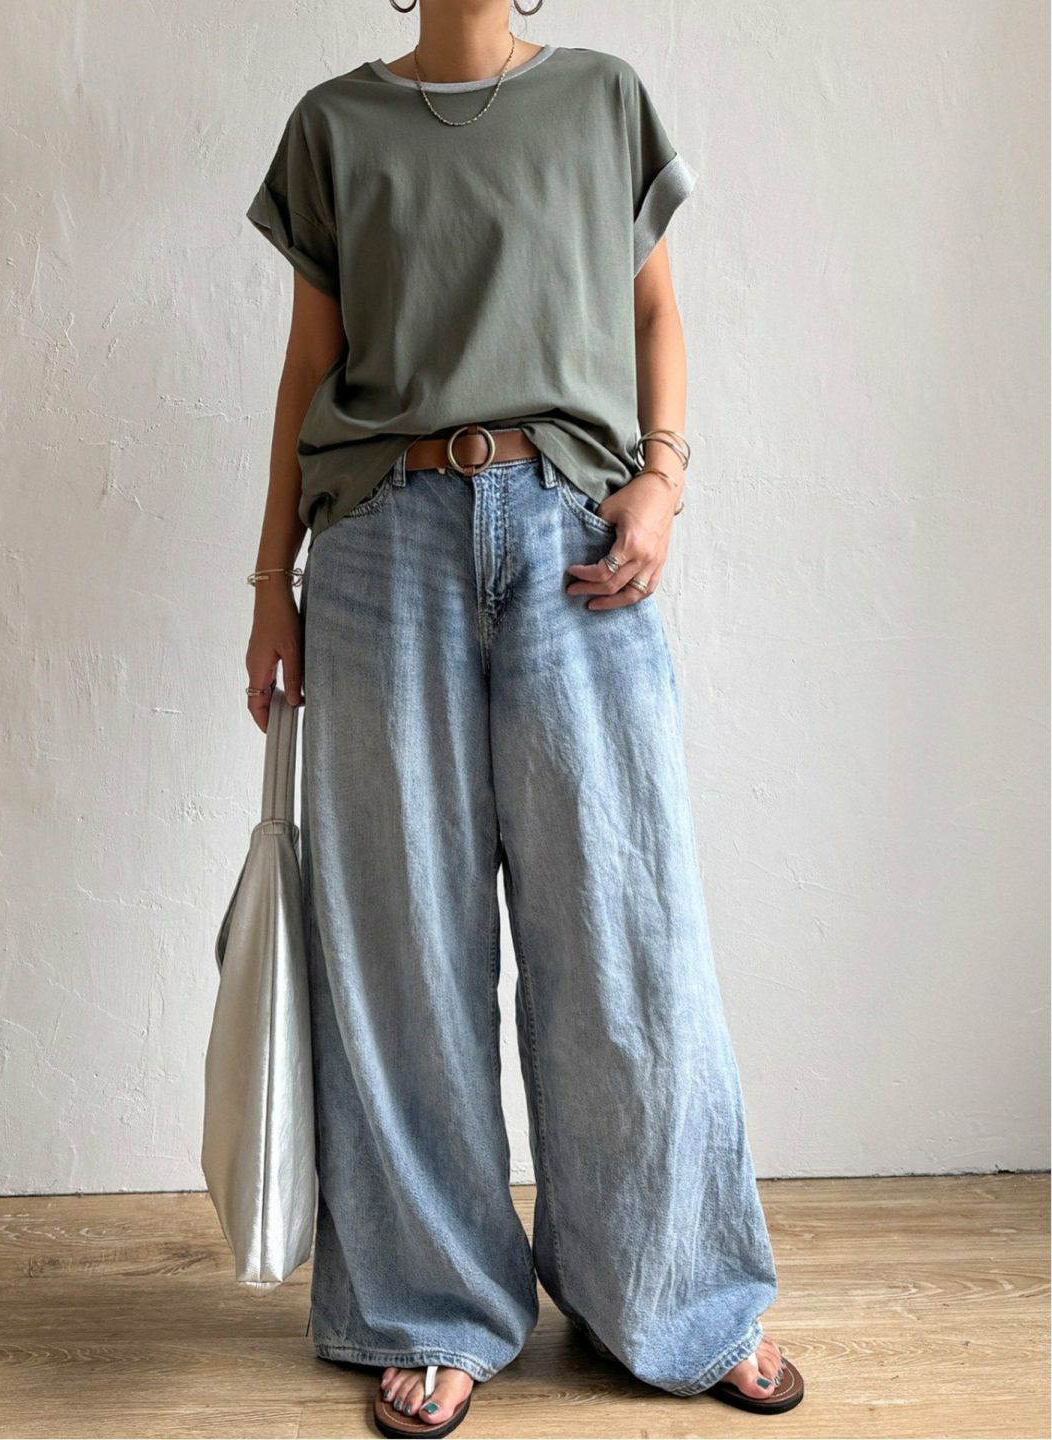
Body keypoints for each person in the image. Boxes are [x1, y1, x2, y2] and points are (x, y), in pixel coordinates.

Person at [241, 1, 804, 1433]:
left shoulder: (604, 100)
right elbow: (308, 368)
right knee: (402, 952)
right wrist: (270, 586)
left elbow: (656, 310)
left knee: (626, 930)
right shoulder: (335, 125)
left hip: (575, 542)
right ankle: (432, 1307)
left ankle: (676, 1298)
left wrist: (663, 479)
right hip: (379, 546)